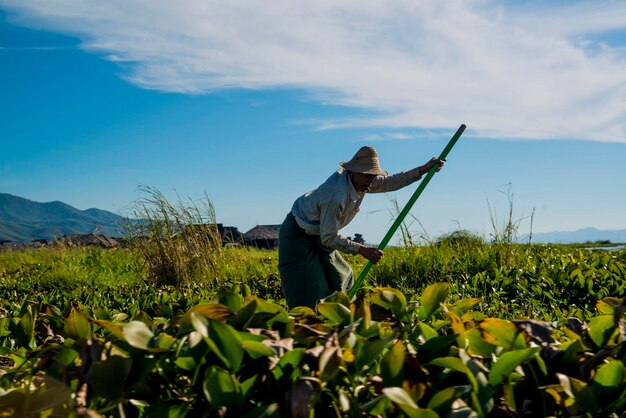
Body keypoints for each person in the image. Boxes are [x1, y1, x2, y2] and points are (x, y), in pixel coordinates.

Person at [278, 146, 445, 309]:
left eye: (373, 176)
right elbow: (329, 238)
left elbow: (390, 182)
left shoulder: (364, 180)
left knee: (342, 274)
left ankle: (341, 317)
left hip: (320, 233)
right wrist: (361, 249)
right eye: (367, 176)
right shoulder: (336, 196)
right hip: (298, 233)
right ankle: (309, 326)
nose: (371, 181)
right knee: (311, 284)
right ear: (354, 172)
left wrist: (422, 169)